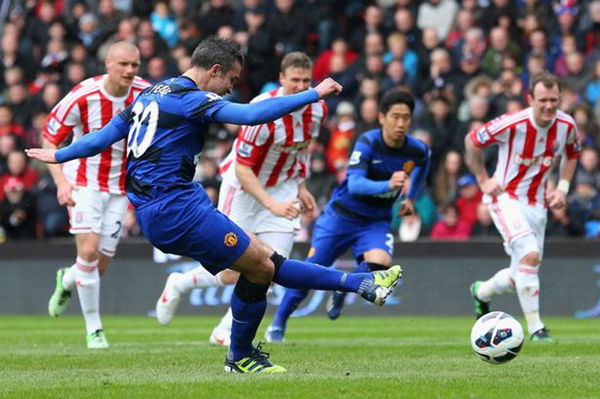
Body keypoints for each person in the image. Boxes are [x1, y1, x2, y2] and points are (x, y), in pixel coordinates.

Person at [27, 36, 402, 374]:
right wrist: (314, 93)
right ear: (216, 70)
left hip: (171, 204)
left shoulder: (151, 93)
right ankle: (345, 293)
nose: (229, 89)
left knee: (260, 264)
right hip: (172, 209)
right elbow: (251, 115)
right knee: (263, 265)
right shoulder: (193, 100)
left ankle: (353, 289)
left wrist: (61, 155)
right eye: (231, 81)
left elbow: (103, 137)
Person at [154, 51, 328, 347]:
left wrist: (301, 186)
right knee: (231, 270)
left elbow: (299, 150)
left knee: (272, 269)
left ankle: (225, 331)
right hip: (244, 188)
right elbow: (243, 167)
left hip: (283, 188)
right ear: (281, 79)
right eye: (294, 80)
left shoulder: (316, 108)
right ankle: (180, 282)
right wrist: (271, 204)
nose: (301, 86)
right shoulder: (264, 109)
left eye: (306, 80)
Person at [265, 89, 430, 341]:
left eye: (406, 117)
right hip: (340, 217)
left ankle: (346, 287)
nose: (400, 123)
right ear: (382, 117)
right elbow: (355, 184)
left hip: (376, 221)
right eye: (395, 116)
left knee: (381, 262)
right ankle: (278, 323)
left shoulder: (415, 148)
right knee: (310, 271)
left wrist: (411, 198)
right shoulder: (368, 142)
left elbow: (425, 161)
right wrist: (388, 185)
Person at [41, 42, 149, 349]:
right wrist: (62, 182)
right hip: (84, 182)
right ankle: (94, 330)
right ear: (108, 64)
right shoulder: (83, 95)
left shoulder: (146, 93)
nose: (130, 71)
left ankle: (67, 278)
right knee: (88, 252)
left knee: (97, 267)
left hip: (119, 190)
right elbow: (50, 137)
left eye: (135, 65)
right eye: (124, 64)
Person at [465, 71, 580, 342]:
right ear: (530, 99)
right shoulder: (513, 123)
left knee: (521, 276)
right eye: (543, 100)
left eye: (554, 99)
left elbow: (573, 154)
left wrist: (562, 188)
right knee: (530, 255)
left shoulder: (566, 125)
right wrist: (482, 179)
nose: (549, 105)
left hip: (538, 205)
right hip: (505, 198)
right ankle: (537, 330)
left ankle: (480, 292)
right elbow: (473, 140)